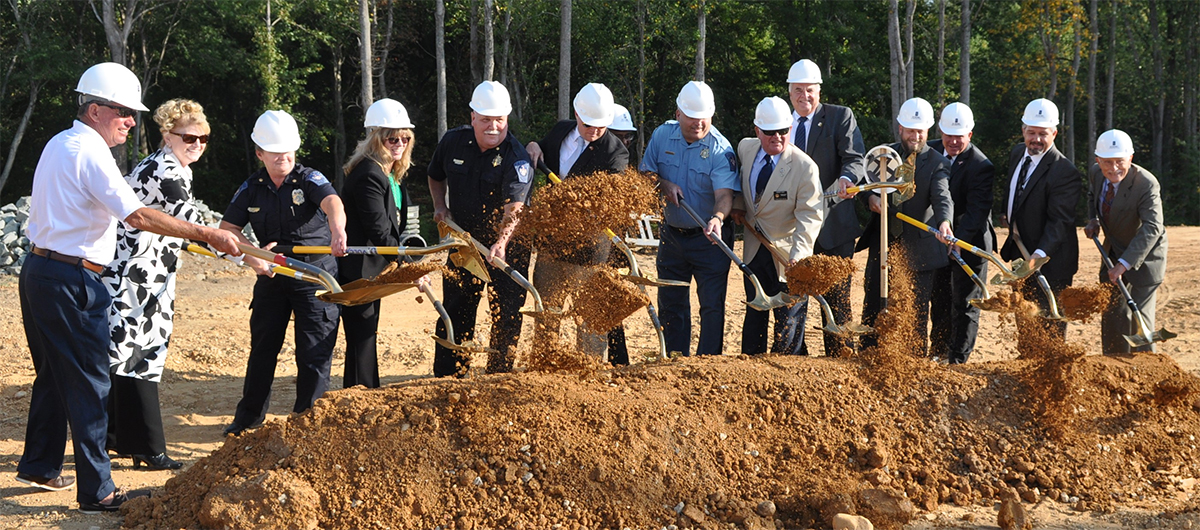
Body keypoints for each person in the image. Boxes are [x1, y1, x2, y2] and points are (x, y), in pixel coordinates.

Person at [16, 63, 240, 513]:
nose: (132, 121)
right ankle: (98, 490)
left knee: (54, 376)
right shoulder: (92, 152)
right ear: (96, 110)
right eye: (124, 112)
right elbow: (135, 215)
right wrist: (208, 234)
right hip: (73, 278)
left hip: (39, 273)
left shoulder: (60, 143)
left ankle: (40, 466)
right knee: (89, 384)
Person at [219, 110, 348, 436]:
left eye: (288, 149)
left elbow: (333, 202)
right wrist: (253, 258)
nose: (283, 157)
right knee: (263, 349)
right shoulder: (251, 187)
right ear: (260, 153)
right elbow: (228, 228)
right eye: (275, 151)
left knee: (314, 350)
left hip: (313, 275)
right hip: (272, 274)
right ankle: (248, 419)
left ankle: (307, 421)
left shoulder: (308, 178)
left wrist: (337, 230)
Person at [102, 99, 213, 471]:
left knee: (126, 355)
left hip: (151, 273)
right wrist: (251, 257)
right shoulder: (164, 170)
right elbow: (195, 228)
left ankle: (114, 439)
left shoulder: (176, 166)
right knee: (140, 356)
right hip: (134, 276)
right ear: (168, 135)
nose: (196, 143)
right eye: (188, 136)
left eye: (203, 138)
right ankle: (148, 449)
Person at [427, 81, 534, 376]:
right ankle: (450, 374)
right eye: (486, 119)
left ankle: (497, 376)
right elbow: (435, 176)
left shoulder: (517, 158)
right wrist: (440, 205)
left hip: (508, 246)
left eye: (499, 119)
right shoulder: (453, 141)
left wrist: (501, 243)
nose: (493, 126)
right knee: (457, 306)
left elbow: (515, 208)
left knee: (507, 313)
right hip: (465, 243)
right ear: (472, 116)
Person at [525, 83, 629, 359]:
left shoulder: (615, 152)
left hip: (588, 253)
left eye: (601, 126)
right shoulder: (561, 130)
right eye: (588, 125)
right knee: (547, 312)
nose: (594, 131)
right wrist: (534, 146)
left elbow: (612, 194)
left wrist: (579, 199)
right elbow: (542, 150)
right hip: (551, 247)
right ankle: (544, 365)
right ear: (576, 114)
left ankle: (590, 372)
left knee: (590, 321)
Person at [640, 80, 739, 356]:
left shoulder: (720, 149)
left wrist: (718, 217)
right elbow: (646, 175)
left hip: (709, 238)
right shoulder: (662, 136)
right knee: (671, 301)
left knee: (711, 305)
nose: (698, 124)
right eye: (692, 118)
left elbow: (724, 195)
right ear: (678, 114)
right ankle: (675, 358)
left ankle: (707, 363)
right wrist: (663, 184)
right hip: (672, 235)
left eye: (704, 119)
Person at [855, 97, 953, 356]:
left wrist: (944, 222)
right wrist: (871, 198)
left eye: (920, 130)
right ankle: (868, 358)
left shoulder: (937, 163)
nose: (916, 135)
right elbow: (864, 185)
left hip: (920, 251)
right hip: (884, 245)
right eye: (910, 130)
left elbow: (942, 197)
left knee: (915, 312)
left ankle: (912, 363)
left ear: (928, 130)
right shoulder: (883, 155)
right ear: (900, 128)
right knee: (874, 305)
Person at [785, 59, 866, 356]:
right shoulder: (783, 124)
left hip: (834, 223)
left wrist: (846, 178)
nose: (803, 96)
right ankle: (795, 354)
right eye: (797, 90)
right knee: (795, 294)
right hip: (794, 227)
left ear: (819, 91)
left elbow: (854, 158)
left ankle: (840, 355)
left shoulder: (839, 117)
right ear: (789, 92)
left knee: (837, 296)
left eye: (809, 90)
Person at [730, 96, 823, 355]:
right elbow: (740, 181)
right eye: (770, 133)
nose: (778, 137)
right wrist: (738, 203)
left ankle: (788, 371)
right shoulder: (745, 149)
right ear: (757, 130)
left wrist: (800, 257)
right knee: (754, 315)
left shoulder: (805, 167)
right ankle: (751, 366)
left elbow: (810, 215)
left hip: (786, 256)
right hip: (754, 249)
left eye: (783, 131)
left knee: (788, 324)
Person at [339, 98, 415, 388]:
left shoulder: (389, 173)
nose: (399, 143)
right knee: (362, 334)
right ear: (375, 138)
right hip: (360, 269)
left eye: (405, 137)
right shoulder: (369, 174)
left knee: (367, 332)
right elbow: (379, 229)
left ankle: (365, 389)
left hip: (374, 266)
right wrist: (407, 266)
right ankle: (361, 392)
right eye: (391, 138)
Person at [999, 98, 1081, 342]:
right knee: (1025, 323)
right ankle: (1026, 369)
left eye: (1042, 134)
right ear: (1023, 130)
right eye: (1031, 132)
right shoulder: (1017, 153)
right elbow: (1015, 191)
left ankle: (1050, 377)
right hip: (1020, 255)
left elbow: (1060, 222)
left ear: (1054, 133)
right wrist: (1008, 214)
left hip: (1051, 263)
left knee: (1049, 331)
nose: (1036, 139)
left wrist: (1039, 254)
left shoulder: (1064, 171)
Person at [1084, 129, 1167, 354]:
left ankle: (1146, 369)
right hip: (1113, 248)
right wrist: (1093, 219)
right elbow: (1092, 196)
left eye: (1119, 161)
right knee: (1112, 312)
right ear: (1097, 160)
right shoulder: (1096, 173)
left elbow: (1153, 227)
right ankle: (1113, 362)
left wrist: (1125, 263)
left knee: (1139, 319)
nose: (1113, 168)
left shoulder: (1146, 184)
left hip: (1145, 256)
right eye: (1107, 162)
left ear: (1130, 158)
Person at [927, 102, 995, 364]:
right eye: (948, 135)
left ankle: (957, 358)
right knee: (940, 298)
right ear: (940, 132)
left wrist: (957, 241)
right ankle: (939, 351)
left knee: (966, 304)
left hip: (970, 239)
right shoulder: (930, 151)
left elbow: (978, 211)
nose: (953, 141)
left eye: (959, 136)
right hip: (938, 238)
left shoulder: (981, 165)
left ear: (970, 135)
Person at [605, 102, 638, 366]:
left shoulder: (624, 163)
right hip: (593, 246)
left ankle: (619, 360)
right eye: (619, 136)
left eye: (628, 137)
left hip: (617, 244)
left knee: (614, 304)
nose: (625, 141)